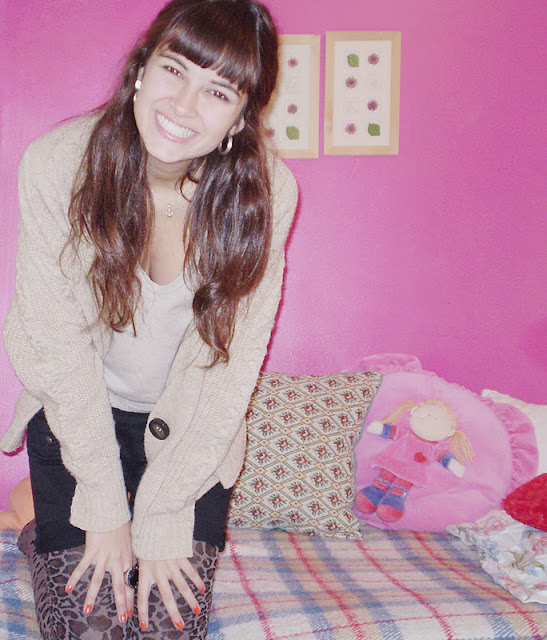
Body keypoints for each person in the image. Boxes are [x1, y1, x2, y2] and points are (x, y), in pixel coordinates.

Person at [0, 0, 298, 638]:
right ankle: (39, 530)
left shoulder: (267, 193)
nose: (184, 106)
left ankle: (69, 525)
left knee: (165, 629)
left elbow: (229, 368)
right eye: (175, 70)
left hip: (192, 440)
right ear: (142, 68)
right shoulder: (60, 164)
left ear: (241, 115)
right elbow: (55, 344)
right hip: (80, 425)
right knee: (94, 628)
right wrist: (105, 508)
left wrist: (161, 518)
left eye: (218, 91)